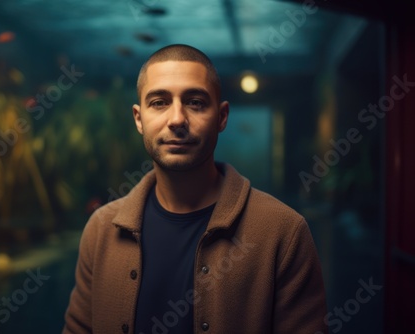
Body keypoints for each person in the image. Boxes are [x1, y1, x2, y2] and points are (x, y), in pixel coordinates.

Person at [63, 44, 328, 334]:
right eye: (159, 102)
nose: (177, 119)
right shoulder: (101, 230)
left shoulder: (284, 232)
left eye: (196, 102)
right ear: (139, 119)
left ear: (222, 117)